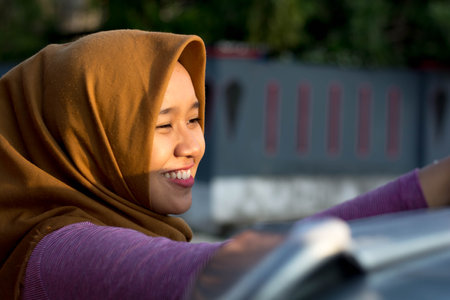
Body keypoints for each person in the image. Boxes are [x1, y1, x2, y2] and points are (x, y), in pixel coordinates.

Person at [0, 29, 449, 299]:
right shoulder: (58, 253)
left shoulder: (129, 225)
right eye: (162, 126)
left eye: (195, 119)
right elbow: (222, 272)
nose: (191, 145)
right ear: (84, 139)